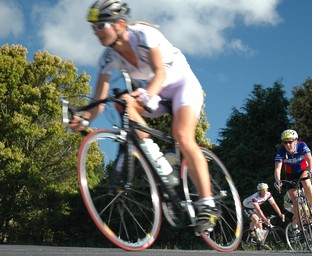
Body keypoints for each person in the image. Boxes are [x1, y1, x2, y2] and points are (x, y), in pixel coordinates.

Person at [68, 0, 220, 233]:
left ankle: (208, 205)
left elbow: (160, 72)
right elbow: (98, 101)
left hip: (182, 85)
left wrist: (146, 95)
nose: (96, 32)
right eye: (93, 27)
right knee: (123, 105)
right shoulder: (108, 57)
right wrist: (85, 119)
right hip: (155, 91)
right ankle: (160, 164)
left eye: (101, 26)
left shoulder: (143, 35)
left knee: (182, 136)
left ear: (120, 24)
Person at [274, 129, 312, 228]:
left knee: (305, 181)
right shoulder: (281, 151)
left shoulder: (302, 146)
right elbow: (278, 168)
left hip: (304, 169)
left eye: (290, 142)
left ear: (295, 141)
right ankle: (301, 230)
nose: (287, 145)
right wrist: (277, 181)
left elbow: (310, 161)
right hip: (290, 175)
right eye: (285, 142)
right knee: (295, 202)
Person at [243, 183, 285, 249]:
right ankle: (251, 231)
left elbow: (274, 204)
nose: (265, 191)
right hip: (247, 207)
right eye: (263, 190)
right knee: (256, 219)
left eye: (266, 189)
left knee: (260, 225)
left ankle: (261, 242)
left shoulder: (268, 194)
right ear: (259, 191)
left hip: (254, 208)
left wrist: (280, 214)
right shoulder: (255, 197)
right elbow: (258, 210)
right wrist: (265, 219)